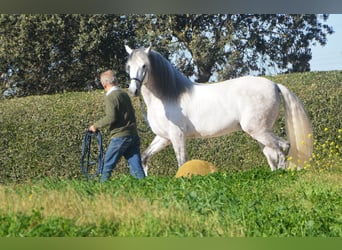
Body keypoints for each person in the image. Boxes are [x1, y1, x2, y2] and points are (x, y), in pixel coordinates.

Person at [89, 70, 146, 182]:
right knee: (136, 167)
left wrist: (95, 126)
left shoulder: (111, 97)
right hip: (133, 135)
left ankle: (102, 188)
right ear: (116, 81)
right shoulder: (124, 94)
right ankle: (144, 187)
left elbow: (111, 117)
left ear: (104, 84)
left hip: (120, 137)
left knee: (107, 165)